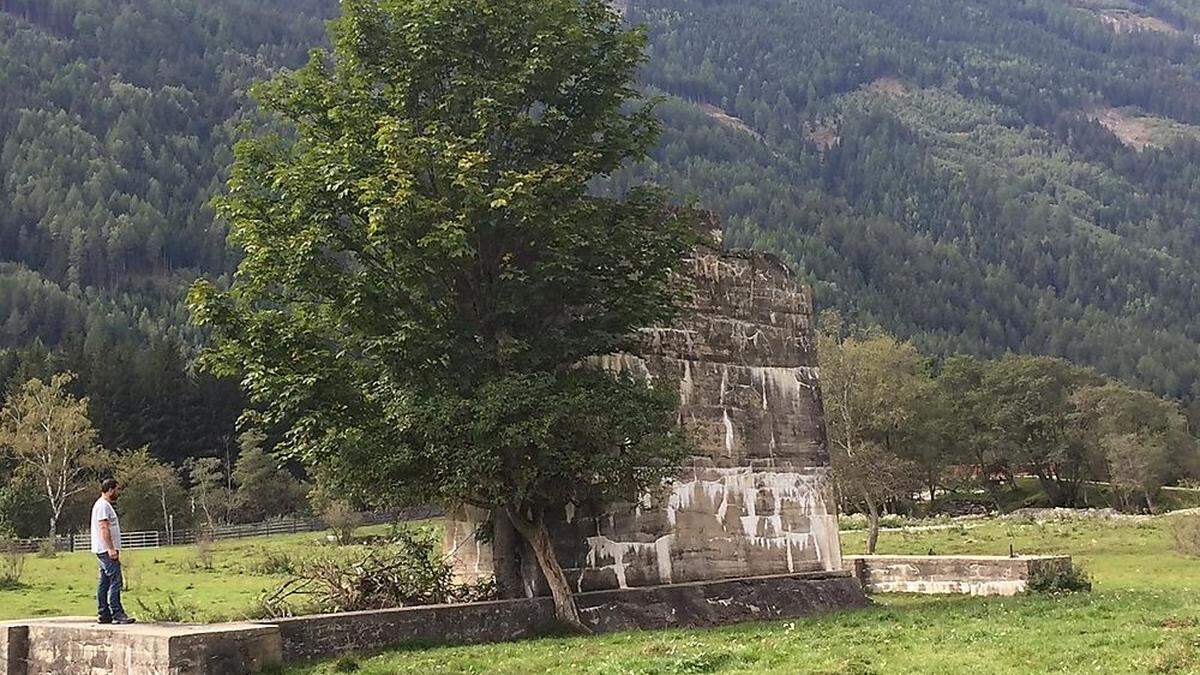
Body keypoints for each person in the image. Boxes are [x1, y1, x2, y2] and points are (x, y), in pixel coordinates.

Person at [91, 478, 135, 624]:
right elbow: (104, 527)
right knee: (116, 580)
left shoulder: (103, 505)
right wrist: (110, 548)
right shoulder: (103, 506)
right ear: (110, 490)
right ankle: (117, 612)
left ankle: (104, 613)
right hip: (106, 550)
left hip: (102, 549)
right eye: (116, 489)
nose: (118, 492)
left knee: (104, 581)